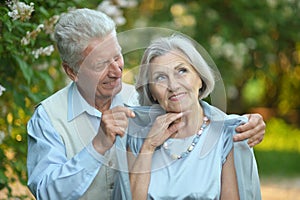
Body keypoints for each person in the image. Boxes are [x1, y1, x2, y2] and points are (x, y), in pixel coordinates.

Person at [26, 8, 264, 200]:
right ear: (72, 72)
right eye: (101, 65)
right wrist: (97, 146)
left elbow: (195, 113)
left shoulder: (142, 102)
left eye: (117, 56)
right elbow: (46, 193)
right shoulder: (49, 117)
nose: (116, 70)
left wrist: (246, 123)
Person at [113, 35, 261, 200]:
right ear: (152, 93)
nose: (173, 86)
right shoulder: (136, 135)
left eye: (182, 71)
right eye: (160, 77)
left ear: (200, 78)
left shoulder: (228, 135)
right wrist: (149, 146)